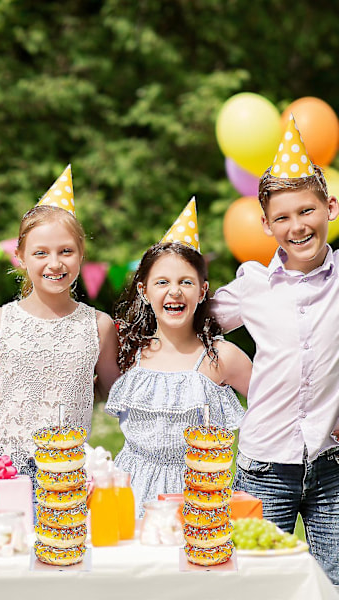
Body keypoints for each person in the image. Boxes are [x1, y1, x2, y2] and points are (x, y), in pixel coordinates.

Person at [211, 115, 339, 586]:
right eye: (282, 217)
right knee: (254, 585)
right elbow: (191, 320)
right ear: (265, 224)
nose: (297, 226)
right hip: (264, 465)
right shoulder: (253, 285)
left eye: (307, 211)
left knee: (334, 582)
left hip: (332, 465)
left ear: (331, 206)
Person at [105, 198, 251, 517]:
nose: (174, 291)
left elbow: (270, 407)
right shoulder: (129, 352)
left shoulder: (220, 357)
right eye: (162, 282)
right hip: (131, 490)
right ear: (144, 291)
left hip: (197, 495)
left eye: (186, 282)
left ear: (202, 291)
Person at [0, 165, 120, 478]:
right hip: (4, 472)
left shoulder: (99, 326)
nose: (54, 263)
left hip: (68, 473)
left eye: (66, 251)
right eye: (41, 252)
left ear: (81, 254)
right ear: (20, 255)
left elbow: (118, 397)